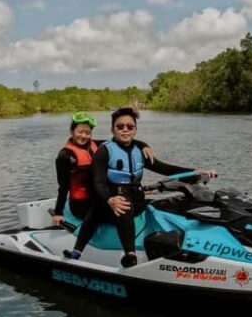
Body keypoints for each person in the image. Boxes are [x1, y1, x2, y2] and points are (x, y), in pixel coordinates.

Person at [82, 107, 216, 268]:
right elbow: (98, 182)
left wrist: (198, 173)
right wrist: (110, 200)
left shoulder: (140, 151)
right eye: (120, 126)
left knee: (166, 205)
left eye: (130, 127)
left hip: (135, 196)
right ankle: (130, 254)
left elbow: (166, 169)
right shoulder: (104, 151)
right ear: (112, 129)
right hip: (111, 200)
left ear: (135, 129)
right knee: (124, 206)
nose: (125, 130)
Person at [51, 111, 153, 259]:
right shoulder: (65, 156)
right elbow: (63, 186)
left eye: (87, 133)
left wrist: (144, 145)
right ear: (72, 131)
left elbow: (123, 140)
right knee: (108, 209)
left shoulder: (95, 145)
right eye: (80, 132)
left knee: (120, 202)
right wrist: (58, 212)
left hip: (99, 195)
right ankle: (125, 252)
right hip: (80, 203)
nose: (84, 136)